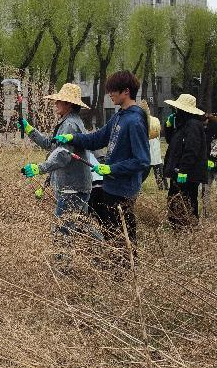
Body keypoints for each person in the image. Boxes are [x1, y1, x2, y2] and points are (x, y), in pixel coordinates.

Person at [54, 71, 150, 252]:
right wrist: (73, 138)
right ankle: (115, 264)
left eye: (113, 90)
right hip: (111, 187)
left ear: (126, 91)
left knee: (125, 240)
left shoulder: (135, 120)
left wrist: (112, 169)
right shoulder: (120, 116)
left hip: (124, 190)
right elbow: (97, 139)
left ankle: (127, 267)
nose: (109, 94)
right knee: (112, 235)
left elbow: (142, 161)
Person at [20, 83, 97, 259]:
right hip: (76, 186)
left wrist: (39, 168)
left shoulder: (69, 124)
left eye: (58, 101)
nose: (55, 104)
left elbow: (63, 156)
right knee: (83, 227)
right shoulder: (69, 122)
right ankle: (107, 254)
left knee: (62, 231)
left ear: (68, 104)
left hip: (72, 188)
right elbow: (51, 145)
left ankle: (62, 268)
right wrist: (30, 130)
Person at [163, 94, 207, 229]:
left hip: (188, 174)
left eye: (178, 109)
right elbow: (171, 141)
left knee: (188, 202)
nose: (176, 111)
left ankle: (189, 229)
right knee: (175, 201)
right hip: (178, 171)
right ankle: (178, 228)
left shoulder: (193, 125)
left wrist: (183, 170)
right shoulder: (182, 124)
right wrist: (168, 126)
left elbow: (191, 150)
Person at [139, 101, 166, 190]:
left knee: (158, 171)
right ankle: (138, 187)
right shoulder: (141, 121)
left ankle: (163, 187)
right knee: (144, 173)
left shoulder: (153, 120)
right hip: (148, 152)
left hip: (153, 150)